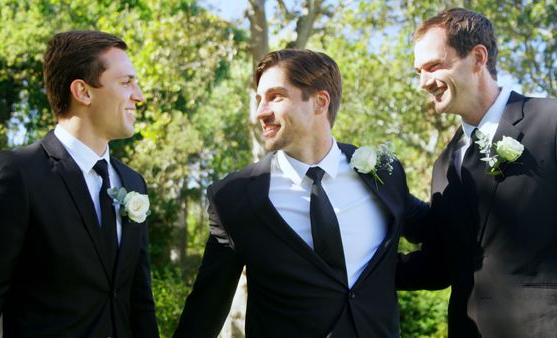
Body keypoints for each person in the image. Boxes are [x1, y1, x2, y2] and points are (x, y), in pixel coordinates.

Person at [174, 49, 428, 337]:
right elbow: (206, 307)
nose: (261, 112)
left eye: (276, 97)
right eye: (260, 99)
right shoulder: (233, 198)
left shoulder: (383, 172)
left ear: (320, 102)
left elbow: (439, 242)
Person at [397, 8, 557, 338]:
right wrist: (346, 271)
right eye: (419, 71)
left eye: (434, 66)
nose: (423, 82)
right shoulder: (445, 165)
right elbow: (440, 265)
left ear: (478, 57)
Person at [0, 30, 160, 338]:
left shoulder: (133, 182)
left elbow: (140, 304)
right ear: (83, 91)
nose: (139, 95)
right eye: (126, 82)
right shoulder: (14, 175)